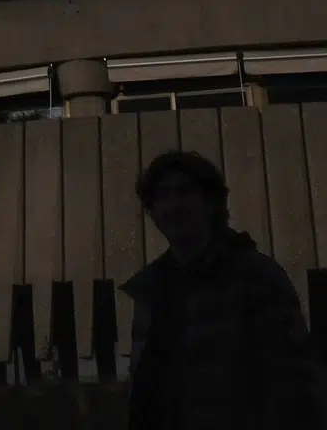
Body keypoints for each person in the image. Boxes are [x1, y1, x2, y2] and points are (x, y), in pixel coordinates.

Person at [123, 148, 312, 430]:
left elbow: (293, 382)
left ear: (211, 203)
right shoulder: (151, 289)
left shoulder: (256, 276)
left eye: (184, 192)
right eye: (163, 196)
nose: (174, 206)